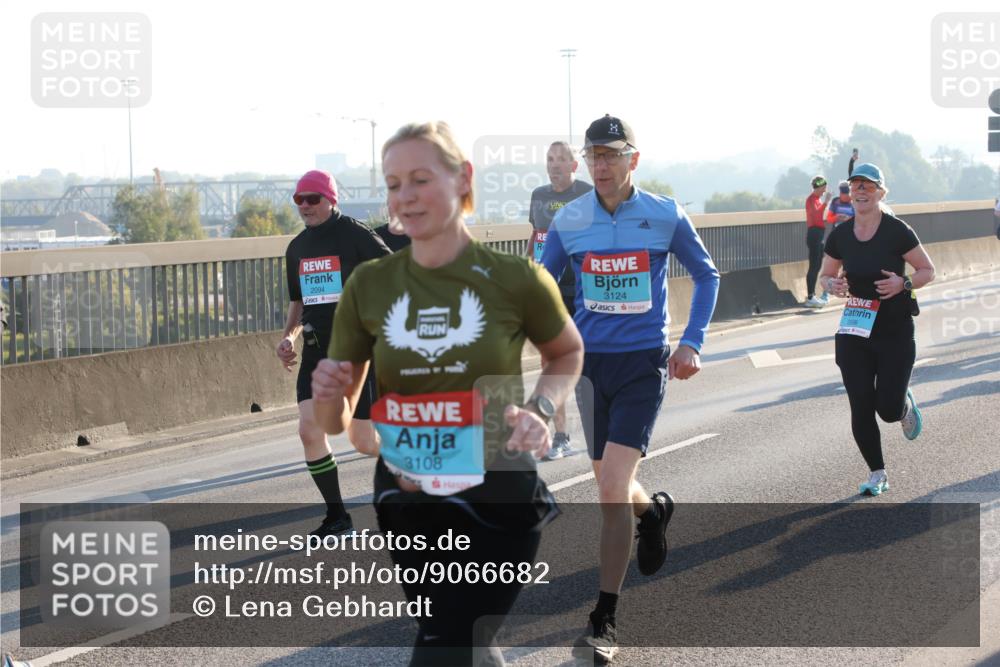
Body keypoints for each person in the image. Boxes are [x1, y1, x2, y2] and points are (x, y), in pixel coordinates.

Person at [312, 121, 584, 666]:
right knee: (462, 640)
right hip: (407, 498)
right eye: (394, 184)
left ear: (463, 178)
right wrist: (328, 393)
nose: (405, 196)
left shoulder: (516, 278)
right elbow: (336, 423)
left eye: (420, 179)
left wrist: (540, 408)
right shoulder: (369, 285)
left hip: (496, 494)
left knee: (446, 643)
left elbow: (567, 352)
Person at [541, 114, 720, 664]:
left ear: (633, 160)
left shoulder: (665, 214)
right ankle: (653, 515)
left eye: (611, 155)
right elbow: (542, 283)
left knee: (611, 486)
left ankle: (605, 617)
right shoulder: (570, 219)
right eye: (593, 155)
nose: (600, 165)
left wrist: (691, 342)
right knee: (609, 481)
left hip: (643, 364)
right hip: (590, 367)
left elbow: (707, 274)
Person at [276, 169, 391, 537]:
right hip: (315, 352)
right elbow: (299, 302)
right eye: (299, 200)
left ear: (330, 200)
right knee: (309, 431)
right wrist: (288, 337)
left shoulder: (355, 234)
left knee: (366, 441)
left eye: (313, 199)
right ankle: (338, 517)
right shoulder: (297, 248)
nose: (305, 206)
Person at [818, 163, 936, 496]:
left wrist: (903, 283)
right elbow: (825, 275)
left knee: (887, 409)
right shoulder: (841, 234)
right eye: (856, 185)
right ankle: (877, 473)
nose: (861, 191)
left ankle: (903, 406)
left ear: (881, 192)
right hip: (855, 329)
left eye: (868, 186)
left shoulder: (897, 231)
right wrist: (832, 285)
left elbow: (928, 270)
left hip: (894, 329)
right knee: (860, 402)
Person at [527, 141, 593, 461]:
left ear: (574, 165)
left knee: (590, 362)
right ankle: (561, 435)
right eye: (549, 159)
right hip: (550, 291)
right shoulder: (538, 196)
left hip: (584, 291)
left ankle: (598, 426)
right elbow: (536, 235)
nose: (553, 165)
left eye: (561, 159)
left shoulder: (588, 195)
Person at [804, 175, 832, 308]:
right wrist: (826, 202)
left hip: (819, 234)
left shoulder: (817, 200)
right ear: (818, 187)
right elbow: (816, 215)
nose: (824, 191)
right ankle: (810, 297)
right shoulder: (811, 199)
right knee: (814, 265)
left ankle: (813, 296)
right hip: (814, 234)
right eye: (823, 188)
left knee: (817, 265)